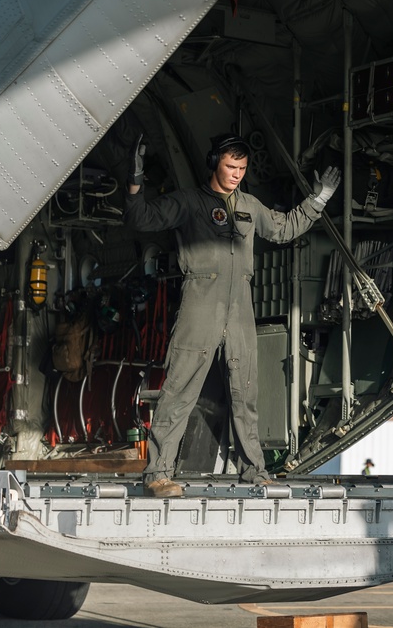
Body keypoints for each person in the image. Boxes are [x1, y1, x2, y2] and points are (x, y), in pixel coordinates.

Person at [124, 133, 339, 498]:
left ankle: (254, 471)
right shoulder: (190, 203)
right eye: (230, 166)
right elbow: (142, 217)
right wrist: (135, 177)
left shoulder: (250, 206)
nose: (236, 173)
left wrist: (319, 199)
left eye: (241, 167)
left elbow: (284, 228)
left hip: (240, 303)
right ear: (214, 164)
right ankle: (158, 474)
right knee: (179, 390)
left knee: (246, 392)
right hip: (200, 300)